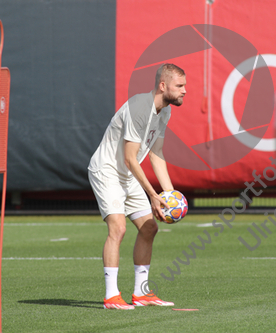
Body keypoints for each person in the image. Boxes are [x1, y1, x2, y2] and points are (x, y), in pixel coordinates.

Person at [88, 63, 186, 310]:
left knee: (149, 228)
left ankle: (141, 293)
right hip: (107, 171)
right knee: (118, 229)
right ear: (163, 86)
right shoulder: (139, 107)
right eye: (180, 86)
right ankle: (111, 296)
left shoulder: (165, 111)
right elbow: (131, 157)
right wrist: (153, 195)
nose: (185, 91)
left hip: (128, 175)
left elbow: (156, 153)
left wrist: (170, 196)